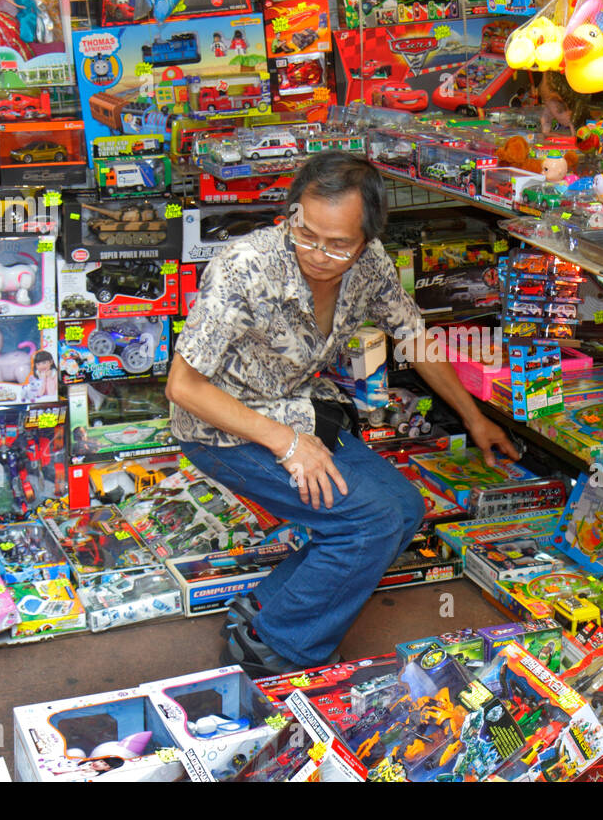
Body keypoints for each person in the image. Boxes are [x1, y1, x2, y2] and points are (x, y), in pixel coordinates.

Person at [166, 152, 519, 677]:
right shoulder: (246, 265)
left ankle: (266, 608)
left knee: (402, 506)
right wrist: (286, 443)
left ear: (367, 236)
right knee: (367, 521)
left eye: (339, 244)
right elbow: (183, 386)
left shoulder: (371, 263)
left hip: (297, 413)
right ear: (292, 213)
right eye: (306, 234)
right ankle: (277, 649)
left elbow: (414, 335)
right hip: (223, 427)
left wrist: (473, 418)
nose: (318, 254)